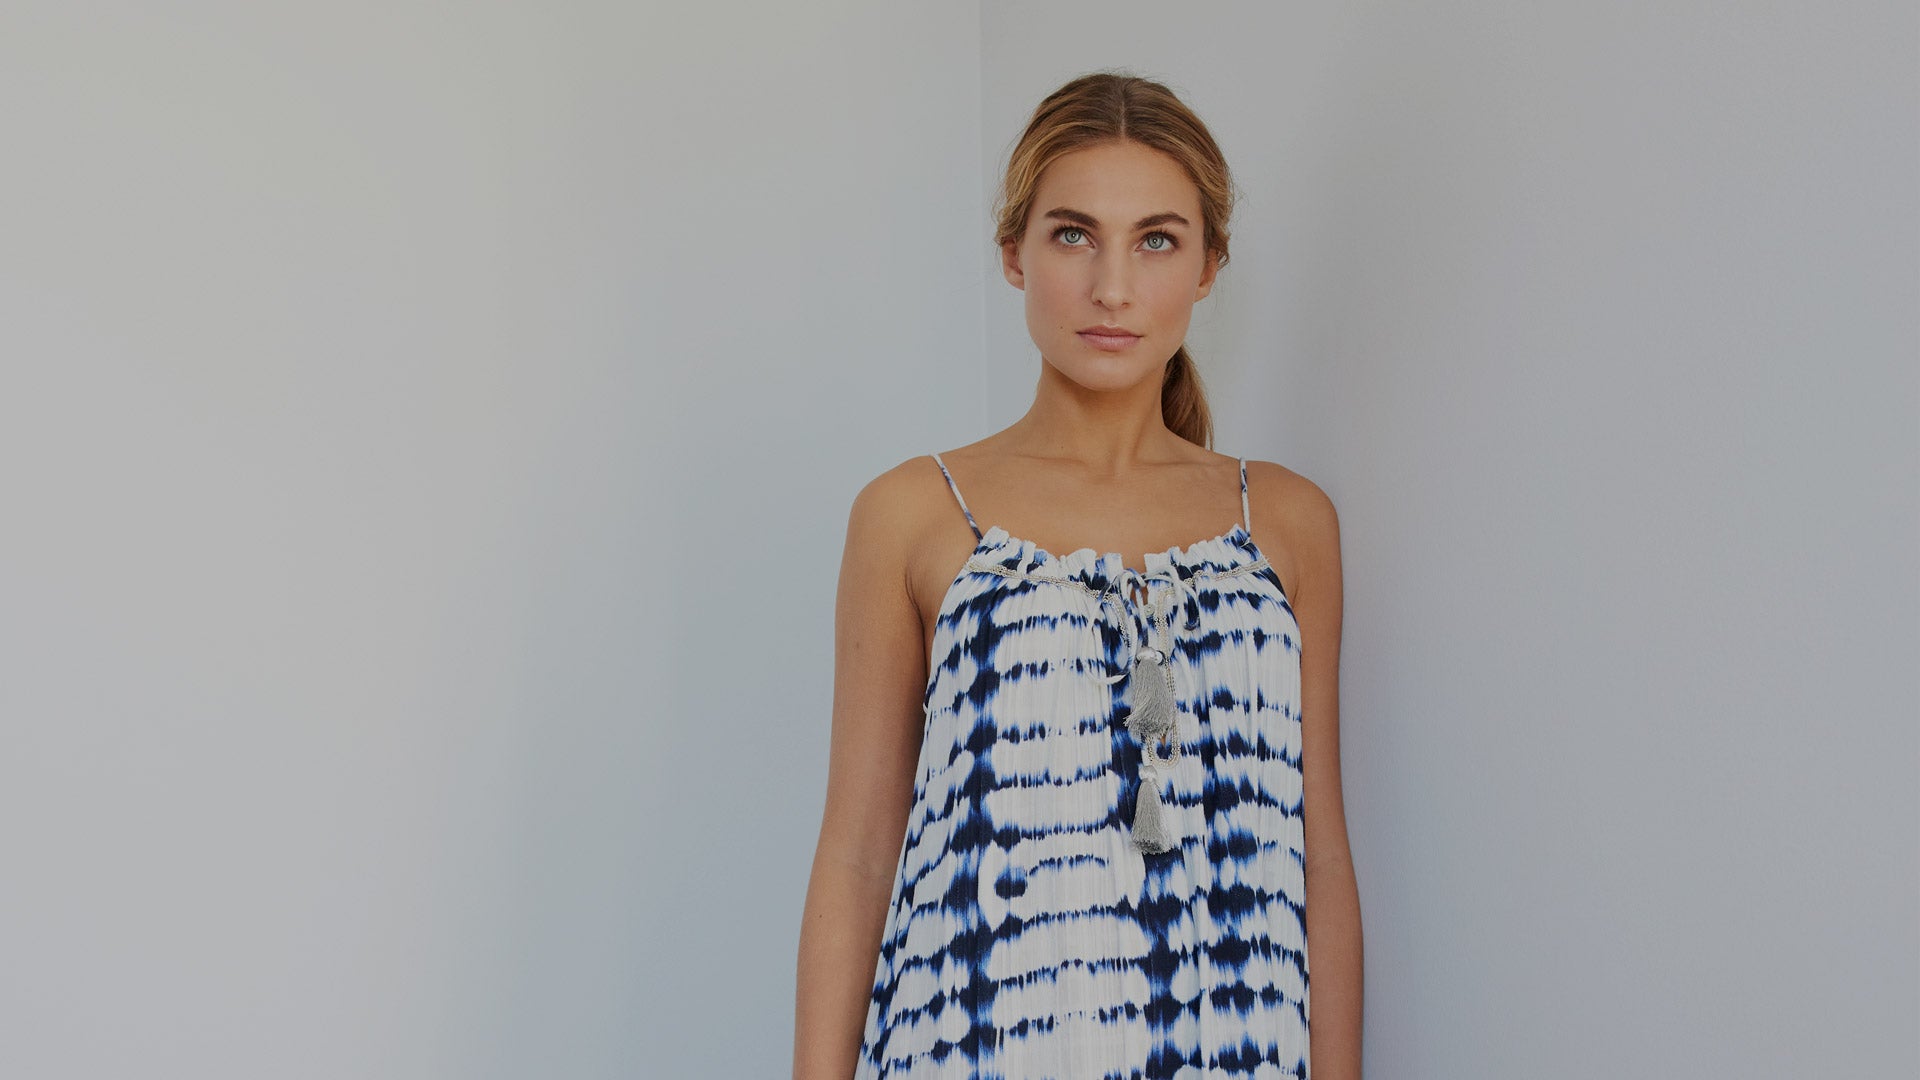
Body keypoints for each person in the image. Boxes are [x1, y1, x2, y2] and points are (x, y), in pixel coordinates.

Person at [795, 71, 1362, 1080]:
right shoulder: (914, 514)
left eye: (1157, 240)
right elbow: (859, 853)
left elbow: (1318, 855)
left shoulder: (1285, 523)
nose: (1113, 286)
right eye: (1073, 235)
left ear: (1209, 264)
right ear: (1013, 252)